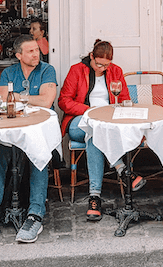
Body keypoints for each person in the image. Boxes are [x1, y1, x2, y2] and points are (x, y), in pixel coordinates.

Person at [0, 35, 57, 243]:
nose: (36, 54)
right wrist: (21, 98)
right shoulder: (10, 72)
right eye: (30, 51)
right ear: (19, 55)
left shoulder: (47, 70)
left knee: (39, 154)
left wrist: (18, 96)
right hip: (12, 130)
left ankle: (35, 215)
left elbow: (46, 101)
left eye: (37, 50)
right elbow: (1, 100)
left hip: (38, 131)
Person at [58, 40, 145, 221]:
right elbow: (64, 101)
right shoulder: (77, 70)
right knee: (93, 127)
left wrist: (116, 109)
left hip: (105, 125)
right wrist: (88, 111)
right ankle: (121, 168)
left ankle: (94, 197)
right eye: (99, 64)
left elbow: (124, 99)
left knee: (95, 135)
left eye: (106, 65)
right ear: (91, 56)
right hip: (79, 122)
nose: (103, 68)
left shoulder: (116, 71)